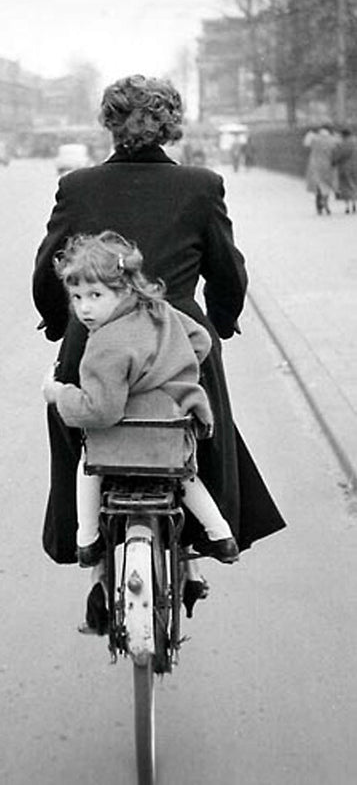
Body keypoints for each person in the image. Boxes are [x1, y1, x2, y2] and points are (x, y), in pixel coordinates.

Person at [32, 74, 285, 625]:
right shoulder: (202, 184)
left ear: (109, 124)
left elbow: (50, 266)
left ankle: (90, 550)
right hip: (177, 341)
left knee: (74, 426)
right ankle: (203, 541)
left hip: (95, 340)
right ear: (170, 126)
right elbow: (227, 269)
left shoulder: (77, 186)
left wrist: (58, 323)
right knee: (203, 428)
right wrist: (223, 318)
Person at [42, 231, 239, 569]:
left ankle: (87, 540)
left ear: (124, 289)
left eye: (95, 294)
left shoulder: (105, 343)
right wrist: (164, 371)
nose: (85, 307)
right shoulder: (160, 311)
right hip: (169, 424)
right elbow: (201, 341)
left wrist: (60, 394)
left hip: (121, 439)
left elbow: (101, 410)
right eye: (76, 297)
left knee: (88, 465)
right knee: (183, 471)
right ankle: (220, 534)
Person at [304, 125, 338, 214]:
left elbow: (306, 143)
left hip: (315, 164)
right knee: (327, 185)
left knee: (318, 185)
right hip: (328, 165)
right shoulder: (333, 139)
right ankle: (325, 202)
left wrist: (310, 133)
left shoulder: (314, 138)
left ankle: (319, 206)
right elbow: (338, 147)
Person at [332, 127, 357, 215]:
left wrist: (334, 162)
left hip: (344, 168)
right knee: (355, 184)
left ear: (343, 135)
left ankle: (347, 207)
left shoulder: (343, 143)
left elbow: (339, 155)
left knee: (345, 186)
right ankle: (354, 204)